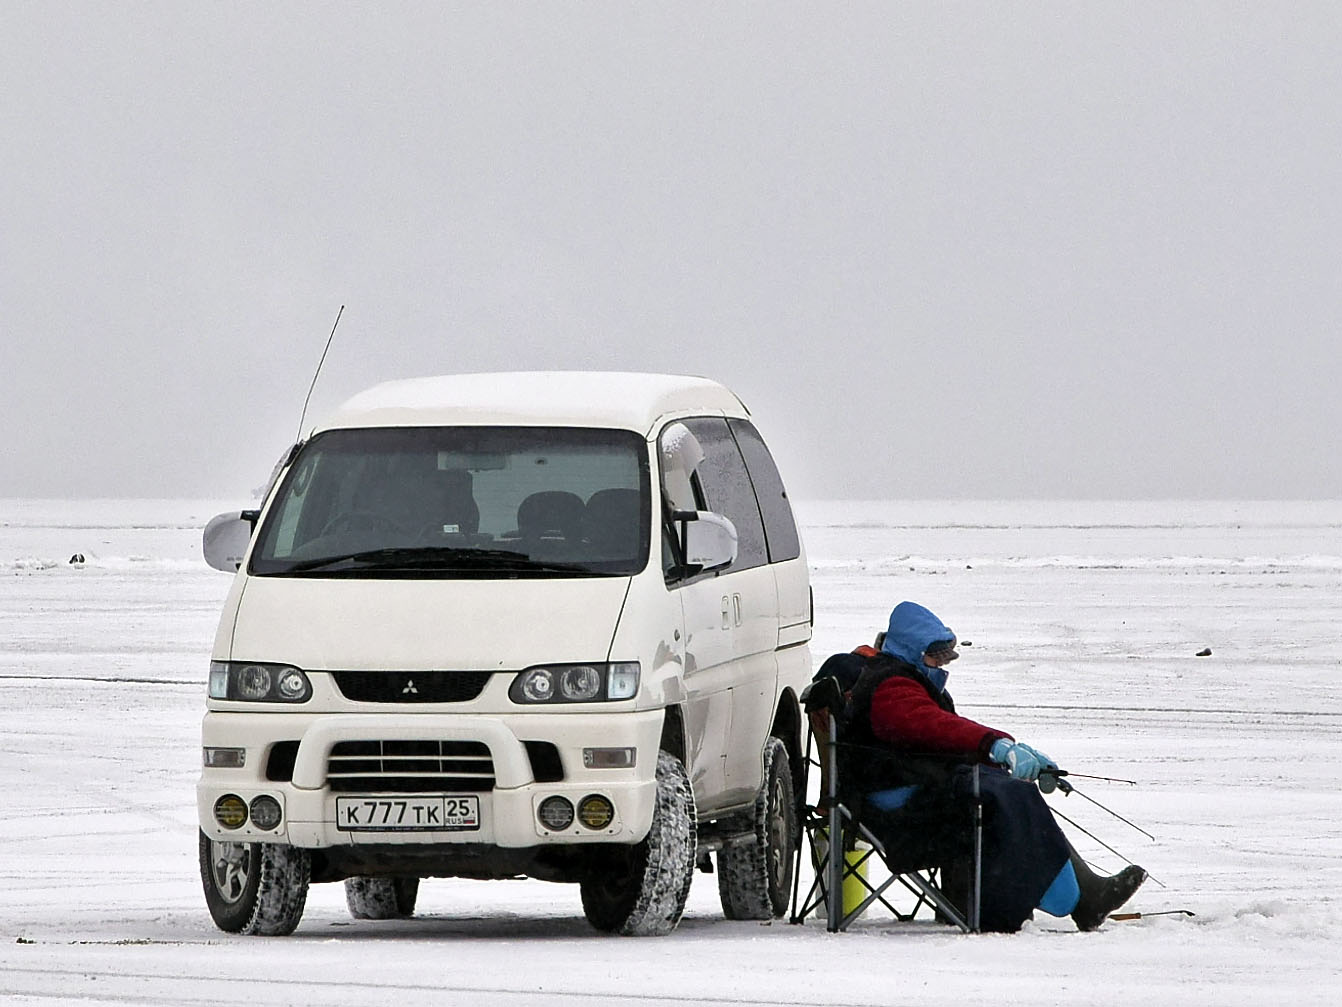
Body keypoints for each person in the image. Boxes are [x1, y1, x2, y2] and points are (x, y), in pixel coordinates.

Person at [817, 600, 1146, 932]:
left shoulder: (905, 679)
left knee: (1006, 788)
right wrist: (996, 746)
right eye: (936, 657)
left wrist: (1009, 752)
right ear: (913, 651)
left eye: (946, 658)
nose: (941, 665)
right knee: (1004, 796)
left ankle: (1086, 893)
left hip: (915, 790)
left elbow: (944, 737)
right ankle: (1062, 900)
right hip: (897, 807)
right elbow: (937, 727)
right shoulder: (891, 688)